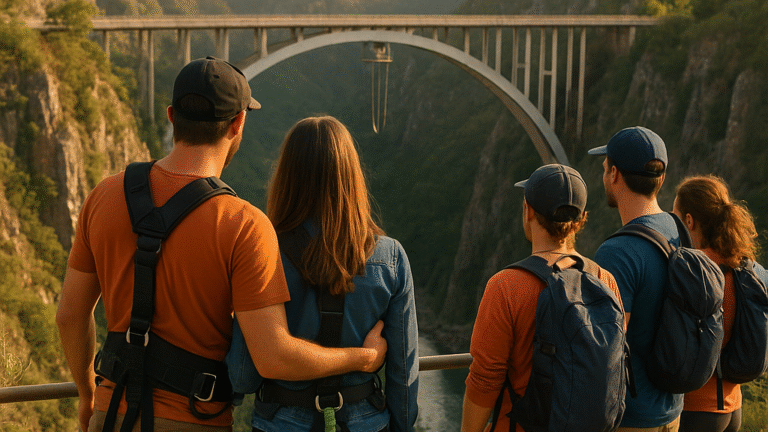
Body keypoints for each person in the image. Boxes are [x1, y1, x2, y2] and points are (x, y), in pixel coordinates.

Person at [55, 57, 386, 432]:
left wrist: (87, 394)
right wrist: (363, 358)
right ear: (238, 123)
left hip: (110, 412)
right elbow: (273, 358)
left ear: (172, 116)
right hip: (193, 420)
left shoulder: (104, 196)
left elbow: (69, 316)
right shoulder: (244, 225)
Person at [226, 116, 419, 432]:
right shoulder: (391, 257)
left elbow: (243, 376)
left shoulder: (262, 252)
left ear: (287, 175)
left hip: (280, 422)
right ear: (351, 176)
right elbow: (404, 375)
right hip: (366, 422)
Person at [461, 163, 624, 432]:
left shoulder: (505, 286)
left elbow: (484, 380)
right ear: (582, 219)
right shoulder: (604, 280)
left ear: (528, 211)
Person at [588, 126, 683, 431]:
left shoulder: (617, 253)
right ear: (661, 178)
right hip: (672, 411)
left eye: (605, 168)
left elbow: (606, 349)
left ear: (614, 174)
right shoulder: (679, 230)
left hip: (633, 417)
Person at [673, 175, 768, 432]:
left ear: (689, 221)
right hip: (733, 406)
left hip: (696, 408)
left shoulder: (694, 269)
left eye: (675, 218)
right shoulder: (743, 266)